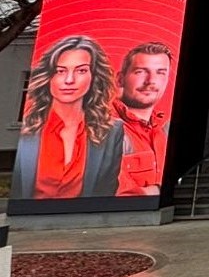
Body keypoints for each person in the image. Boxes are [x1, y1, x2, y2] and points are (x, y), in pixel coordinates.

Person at [13, 35, 122, 199]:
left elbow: (106, 191)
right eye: (60, 71)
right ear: (48, 76)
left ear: (94, 76)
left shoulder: (112, 131)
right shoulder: (28, 128)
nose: (69, 80)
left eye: (81, 70)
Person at [113, 42, 172, 196]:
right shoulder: (101, 126)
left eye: (160, 73)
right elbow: (113, 191)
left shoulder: (166, 128)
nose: (151, 81)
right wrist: (158, 191)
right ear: (120, 79)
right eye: (140, 72)